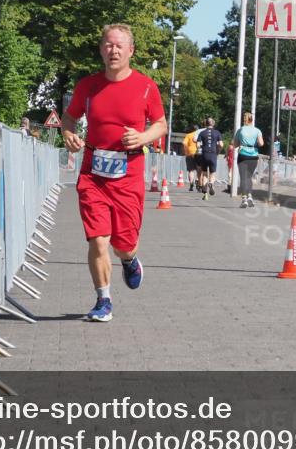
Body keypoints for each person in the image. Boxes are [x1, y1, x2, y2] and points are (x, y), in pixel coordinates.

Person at [61, 23, 167, 323]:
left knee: (123, 245)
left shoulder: (146, 86)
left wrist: (143, 137)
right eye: (108, 45)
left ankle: (130, 260)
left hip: (128, 173)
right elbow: (69, 117)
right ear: (101, 50)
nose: (113, 50)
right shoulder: (88, 86)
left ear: (131, 50)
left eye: (119, 45)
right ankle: (103, 300)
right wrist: (68, 133)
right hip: (93, 173)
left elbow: (160, 125)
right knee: (98, 240)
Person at [232, 112, 264, 208]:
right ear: (252, 120)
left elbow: (235, 145)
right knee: (249, 177)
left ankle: (244, 199)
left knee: (243, 177)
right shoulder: (257, 130)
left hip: (243, 155)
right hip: (254, 155)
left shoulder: (240, 130)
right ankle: (250, 197)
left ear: (244, 119)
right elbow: (261, 143)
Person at [195, 117, 223, 200]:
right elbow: (221, 144)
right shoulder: (217, 132)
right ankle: (211, 183)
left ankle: (205, 194)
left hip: (204, 154)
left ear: (206, 124)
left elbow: (197, 145)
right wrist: (218, 150)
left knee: (204, 174)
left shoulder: (202, 133)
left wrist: (202, 147)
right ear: (213, 124)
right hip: (213, 154)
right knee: (212, 173)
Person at [182, 124, 201, 192]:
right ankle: (198, 182)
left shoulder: (189, 135)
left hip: (189, 154)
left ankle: (191, 184)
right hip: (198, 153)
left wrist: (186, 150)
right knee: (199, 170)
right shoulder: (200, 135)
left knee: (191, 170)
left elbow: (184, 143)